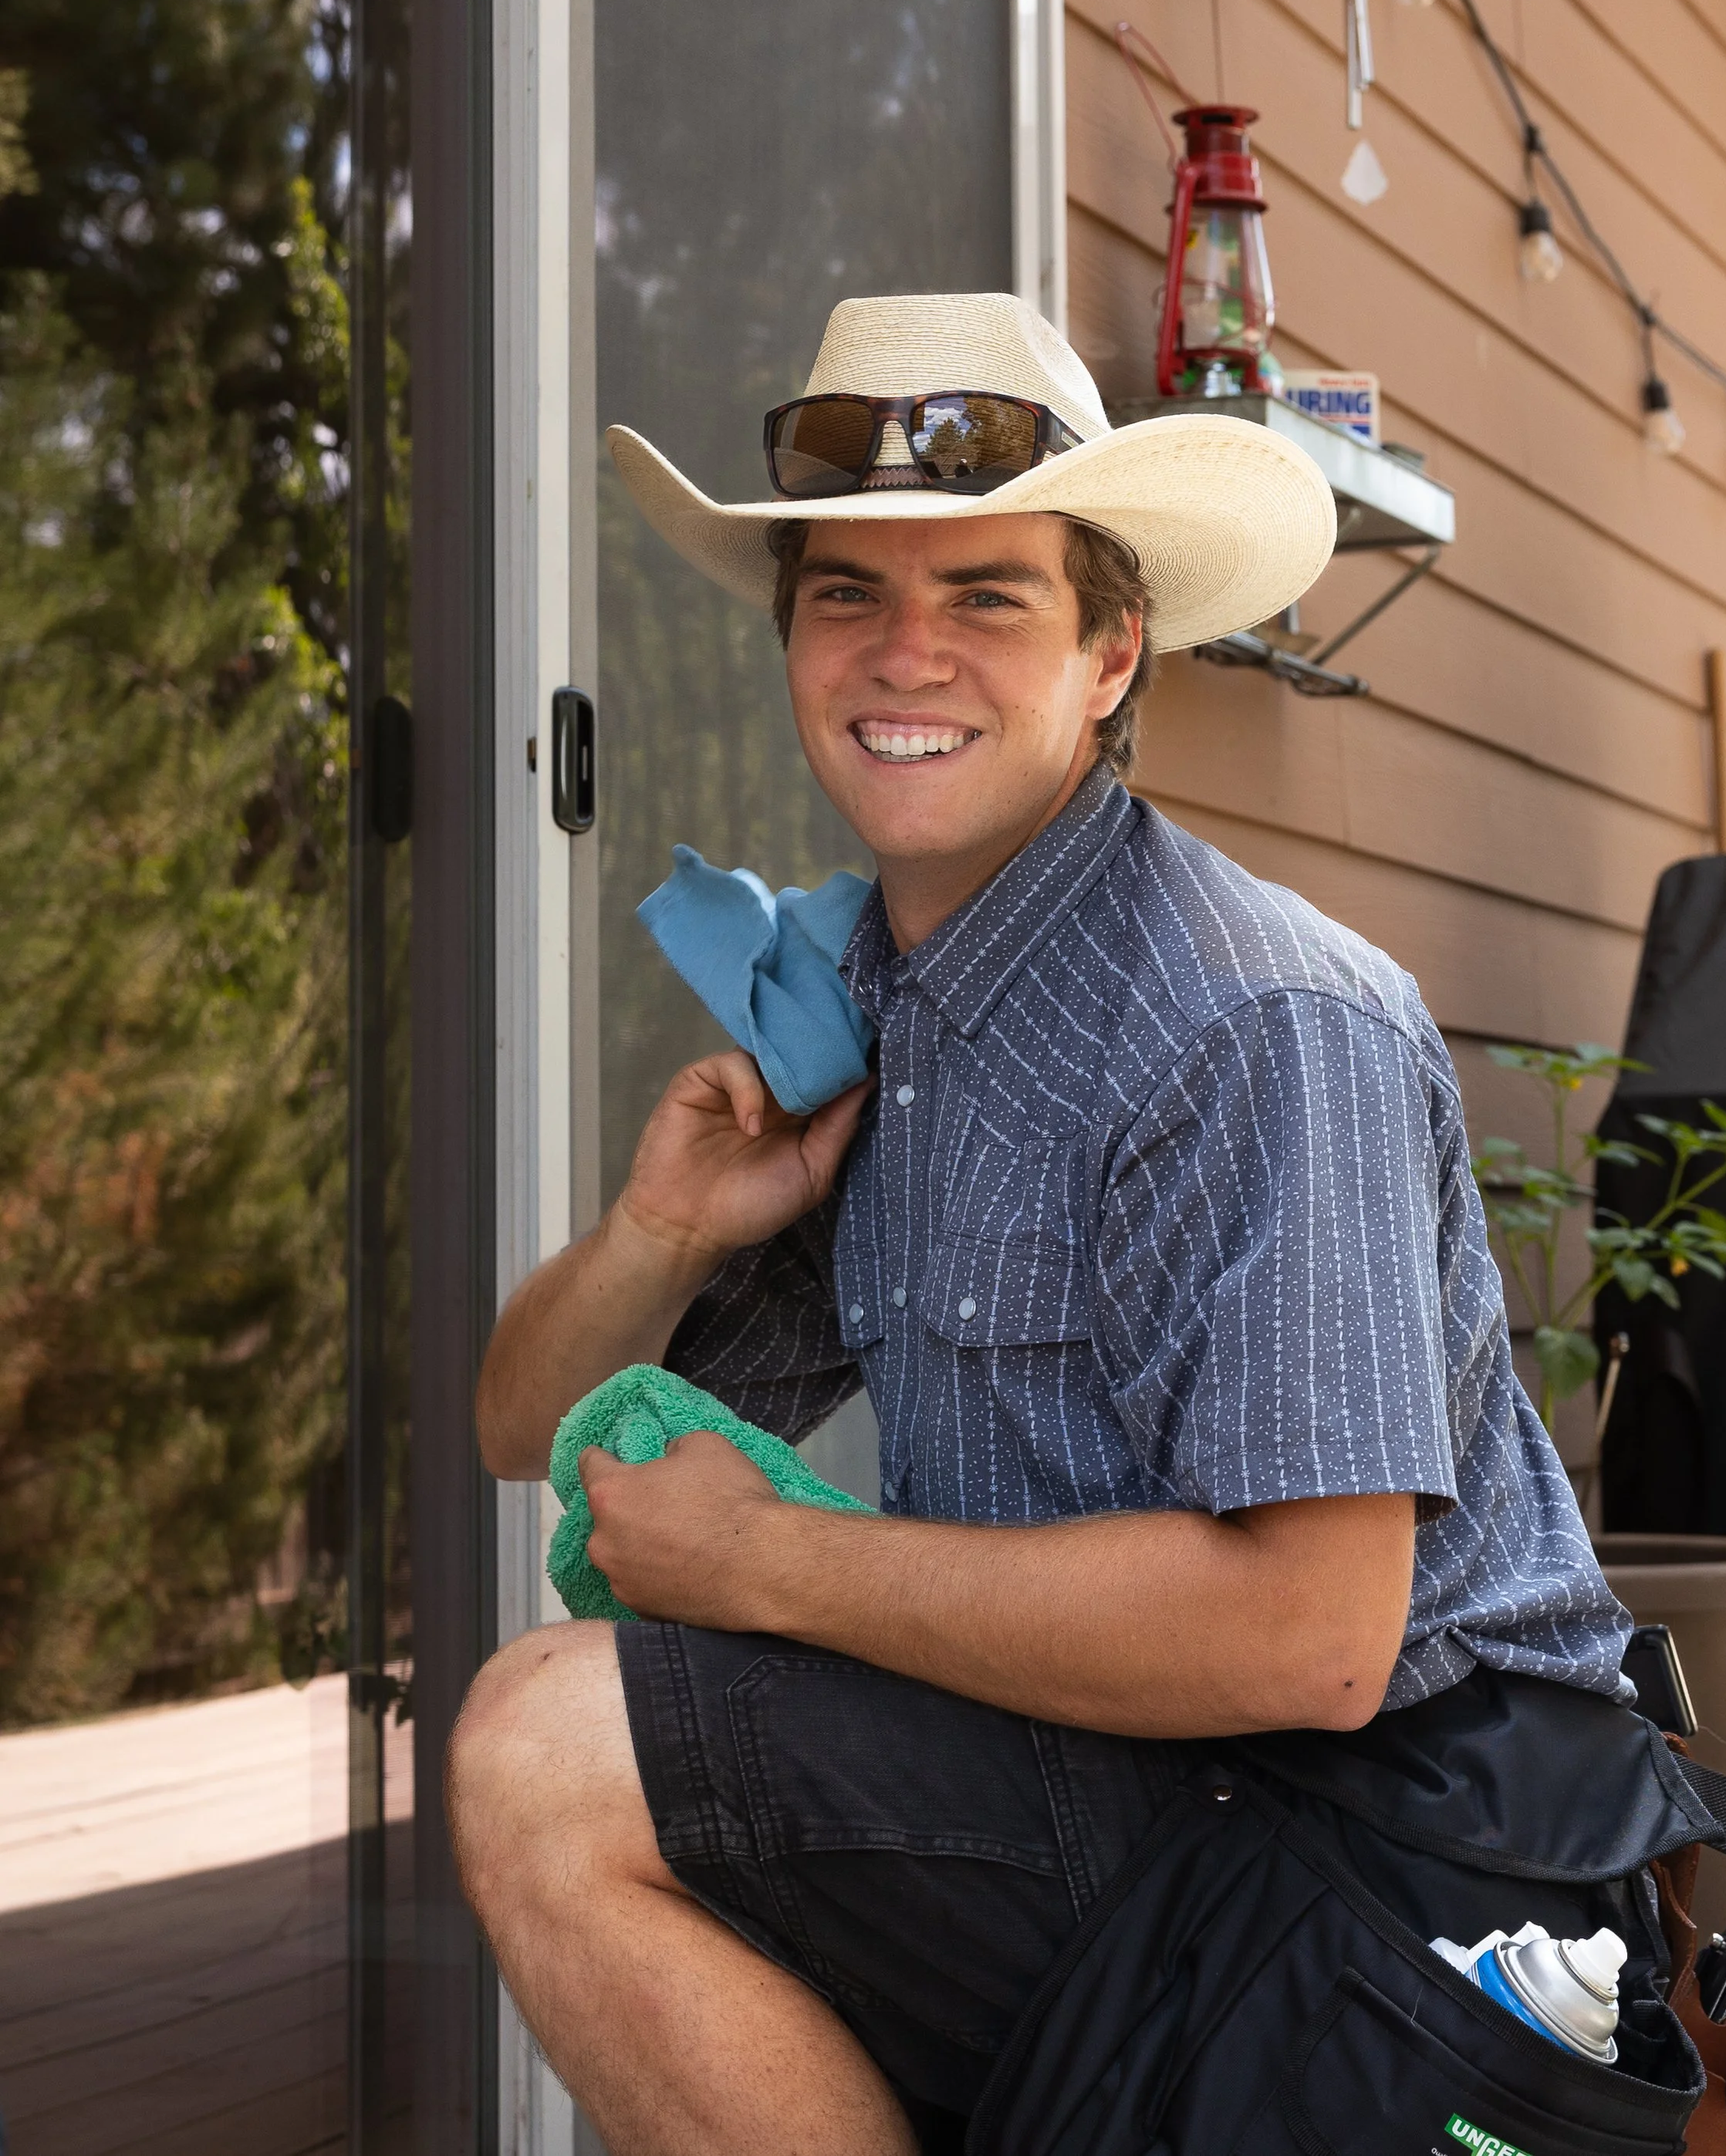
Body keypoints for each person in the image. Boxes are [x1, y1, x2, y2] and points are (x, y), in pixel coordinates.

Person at [448, 295, 1634, 2156]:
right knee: (639, 1784)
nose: (902, 652)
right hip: (1122, 1791)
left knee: (555, 1745)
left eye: (987, 596)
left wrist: (761, 1560)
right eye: (847, 594)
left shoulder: (1249, 1020)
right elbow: (523, 1425)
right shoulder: (882, 1003)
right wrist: (662, 1229)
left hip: (1390, 1878)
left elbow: (1316, 1640)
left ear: (1109, 654)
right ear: (791, 643)